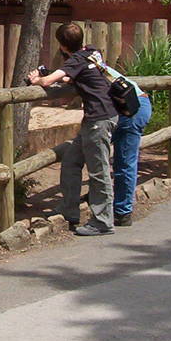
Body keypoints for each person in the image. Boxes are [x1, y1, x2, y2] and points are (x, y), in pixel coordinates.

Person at [27, 22, 118, 236]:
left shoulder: (76, 59)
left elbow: (49, 81)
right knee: (71, 161)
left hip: (99, 119)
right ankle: (69, 209)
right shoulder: (91, 52)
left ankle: (103, 221)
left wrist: (37, 80)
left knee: (98, 171)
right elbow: (79, 74)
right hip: (100, 117)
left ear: (63, 46)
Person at [88, 51, 152, 225]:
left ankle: (123, 211)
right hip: (133, 105)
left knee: (124, 161)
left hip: (132, 110)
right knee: (107, 156)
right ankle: (111, 203)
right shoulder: (98, 65)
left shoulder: (88, 67)